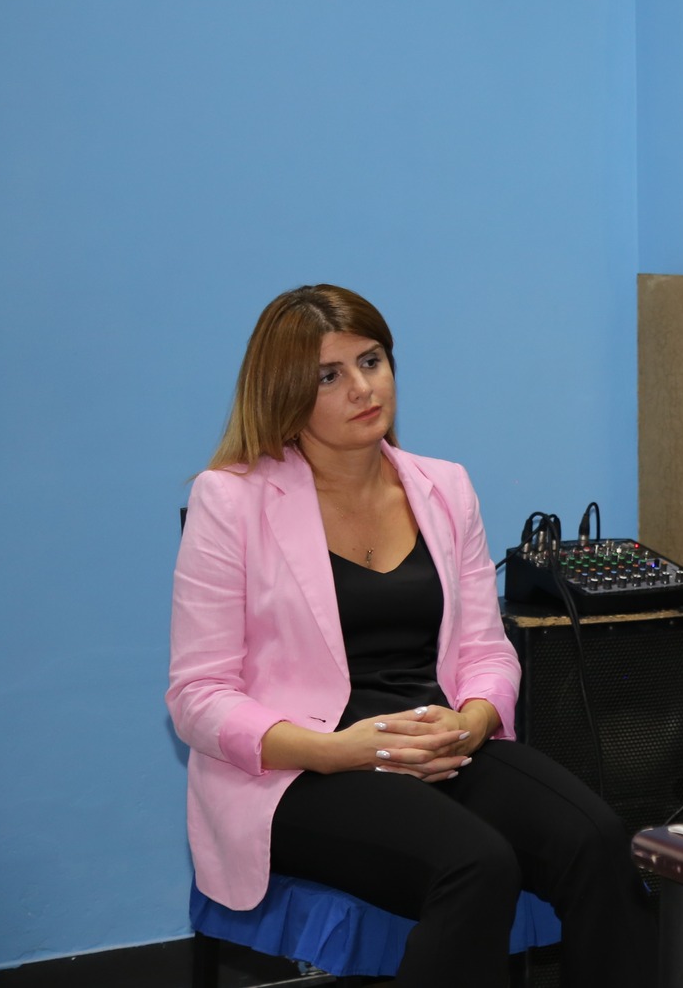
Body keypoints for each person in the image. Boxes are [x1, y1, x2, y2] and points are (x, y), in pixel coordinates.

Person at [167, 286, 654, 987]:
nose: (362, 388)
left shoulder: (443, 487)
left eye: (371, 361)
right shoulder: (230, 498)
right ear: (285, 392)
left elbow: (486, 650)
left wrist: (471, 722)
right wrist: (336, 750)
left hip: (437, 745)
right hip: (303, 769)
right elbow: (198, 695)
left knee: (599, 839)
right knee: (476, 864)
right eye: (329, 375)